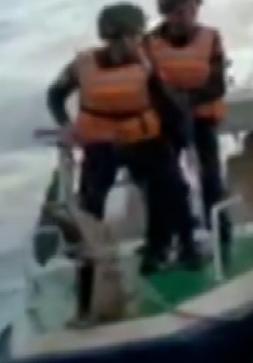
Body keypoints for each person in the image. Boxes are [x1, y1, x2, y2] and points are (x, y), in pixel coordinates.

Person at [47, 3, 201, 276]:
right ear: (109, 38)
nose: (130, 43)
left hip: (144, 139)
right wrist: (66, 126)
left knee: (172, 189)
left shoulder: (148, 63)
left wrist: (182, 140)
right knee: (90, 204)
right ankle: (90, 263)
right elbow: (55, 95)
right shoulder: (82, 65)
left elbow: (170, 105)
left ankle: (174, 249)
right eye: (124, 37)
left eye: (135, 36)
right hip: (101, 144)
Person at [146, 0, 231, 259]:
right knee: (165, 180)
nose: (185, 16)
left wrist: (187, 101)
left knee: (211, 177)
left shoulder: (211, 38)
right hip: (166, 121)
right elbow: (146, 82)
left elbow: (217, 84)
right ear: (165, 13)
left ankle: (221, 235)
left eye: (190, 9)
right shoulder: (148, 43)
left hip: (201, 118)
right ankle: (167, 241)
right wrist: (171, 105)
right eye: (177, 11)